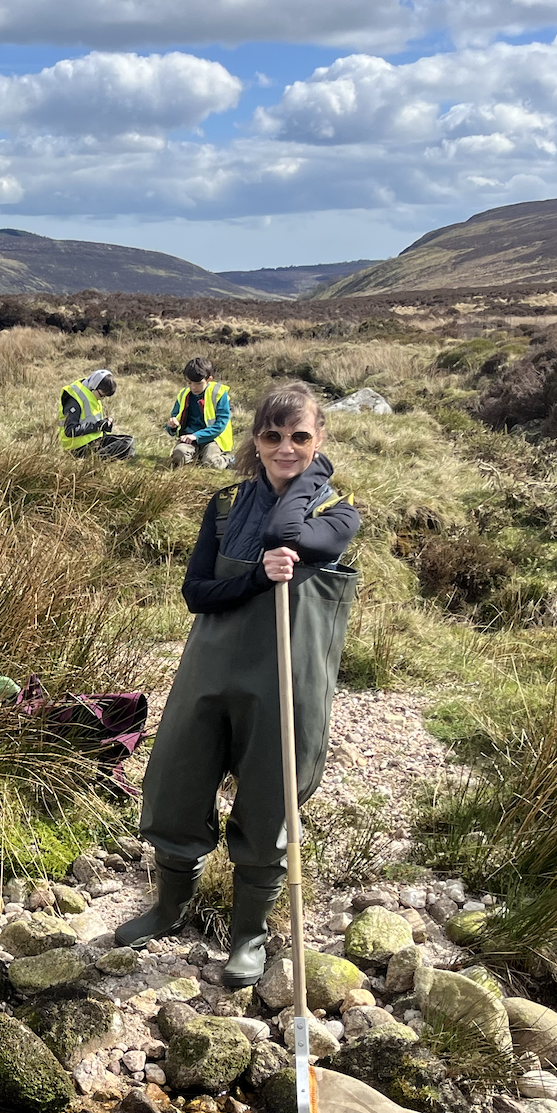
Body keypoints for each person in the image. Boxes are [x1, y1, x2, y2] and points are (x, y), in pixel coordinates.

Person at [121, 381, 361, 984]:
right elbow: (196, 592)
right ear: (254, 439)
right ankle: (170, 907)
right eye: (273, 436)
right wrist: (256, 579)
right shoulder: (226, 506)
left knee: (269, 803)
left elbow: (288, 533)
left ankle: (250, 934)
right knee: (175, 783)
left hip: (286, 680)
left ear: (321, 440)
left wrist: (310, 476)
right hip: (211, 671)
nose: (285, 447)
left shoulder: (338, 512)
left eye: (301, 437)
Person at [165, 357, 234, 469]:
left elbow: (220, 425)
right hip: (188, 437)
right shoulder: (183, 394)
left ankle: (229, 459)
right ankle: (198, 456)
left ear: (209, 379)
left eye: (198, 383)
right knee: (179, 455)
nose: (193, 387)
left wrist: (196, 436)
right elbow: (173, 424)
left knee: (211, 463)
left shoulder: (219, 394)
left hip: (213, 439)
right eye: (189, 383)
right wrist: (172, 427)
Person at [59, 369, 132, 459]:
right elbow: (70, 431)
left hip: (93, 440)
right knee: (124, 446)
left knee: (128, 442)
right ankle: (93, 461)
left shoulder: (91, 393)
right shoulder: (74, 399)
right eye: (102, 395)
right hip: (78, 447)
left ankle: (96, 460)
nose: (102, 398)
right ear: (94, 386)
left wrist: (105, 425)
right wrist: (98, 426)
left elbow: (90, 419)